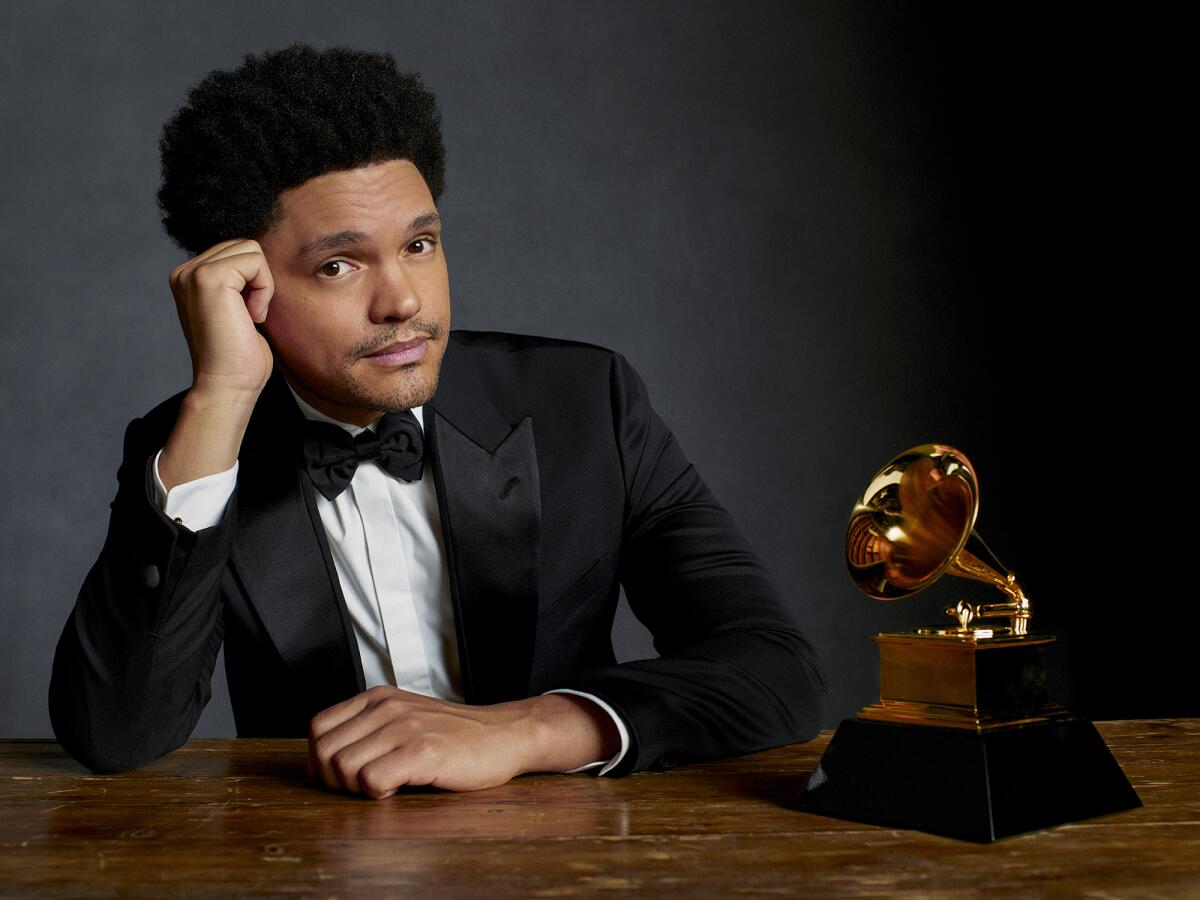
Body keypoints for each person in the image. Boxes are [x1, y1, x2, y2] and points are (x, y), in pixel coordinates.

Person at [49, 45, 826, 798]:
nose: (405, 301)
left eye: (419, 244)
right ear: (245, 286)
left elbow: (776, 669)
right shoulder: (195, 452)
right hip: (305, 864)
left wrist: (522, 732)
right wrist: (219, 396)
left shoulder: (587, 400)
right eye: (338, 265)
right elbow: (114, 734)